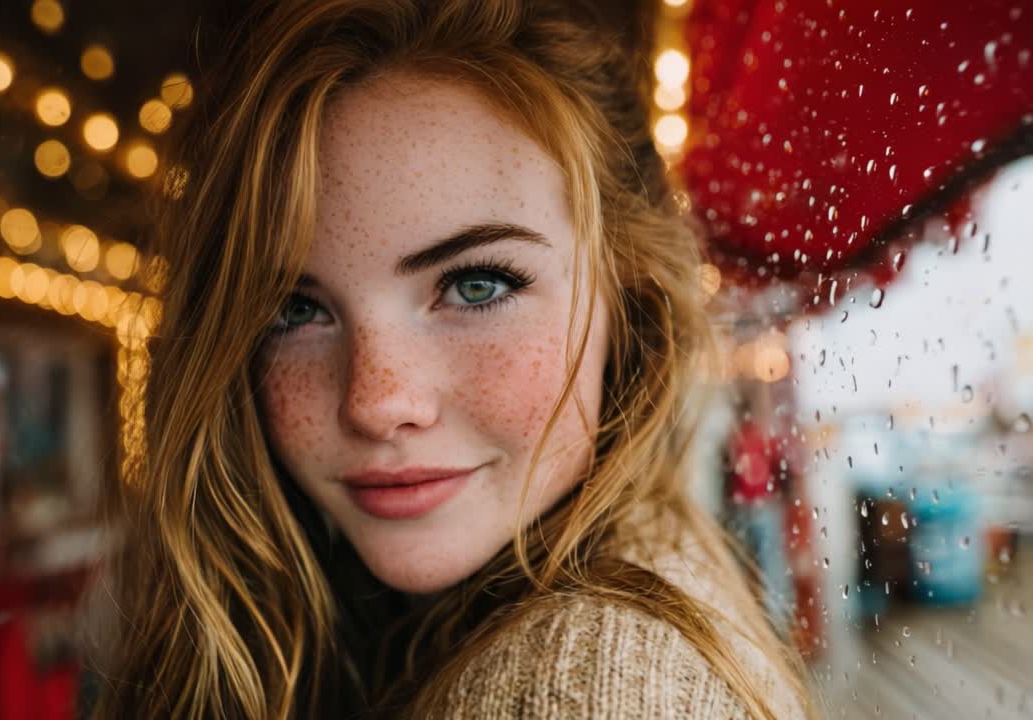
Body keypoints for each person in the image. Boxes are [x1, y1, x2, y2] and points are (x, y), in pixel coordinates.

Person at [85, 1, 816, 717]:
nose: (376, 401)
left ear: (628, 298)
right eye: (294, 310)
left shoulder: (593, 684)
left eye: (476, 286)